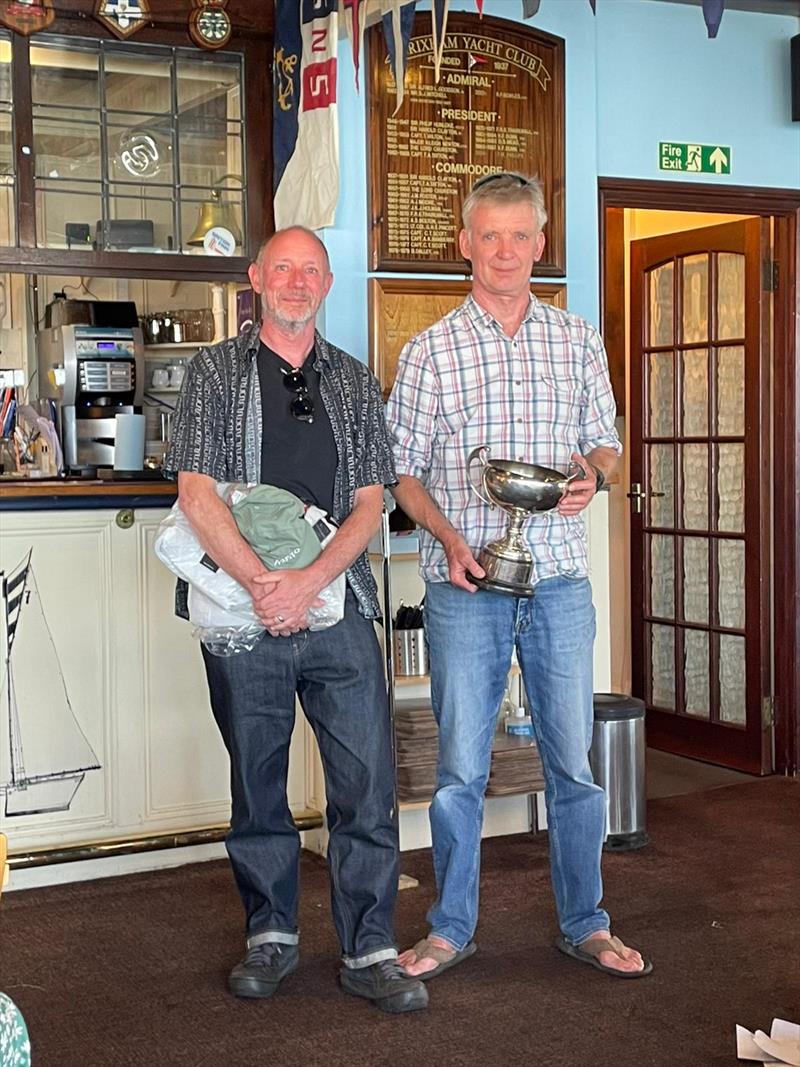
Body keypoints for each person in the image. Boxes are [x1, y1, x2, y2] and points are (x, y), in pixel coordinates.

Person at [385, 173, 652, 980]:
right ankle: (450, 927)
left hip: (561, 582)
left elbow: (607, 443)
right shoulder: (429, 350)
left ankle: (586, 922)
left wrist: (593, 477)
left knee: (572, 763)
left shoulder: (575, 340)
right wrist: (449, 536)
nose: (505, 251)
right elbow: (400, 472)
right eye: (489, 235)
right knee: (461, 766)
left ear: (541, 242)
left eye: (520, 235)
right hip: (465, 586)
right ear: (465, 243)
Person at [164, 226, 428, 1014]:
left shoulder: (350, 379)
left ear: (327, 283)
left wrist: (309, 579)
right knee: (258, 782)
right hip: (241, 611)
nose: (297, 281)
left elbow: (370, 503)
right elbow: (196, 493)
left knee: (366, 784)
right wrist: (261, 586)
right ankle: (271, 935)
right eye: (283, 268)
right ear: (256, 279)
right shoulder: (213, 371)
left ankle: (371, 947)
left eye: (311, 269)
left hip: (340, 606)